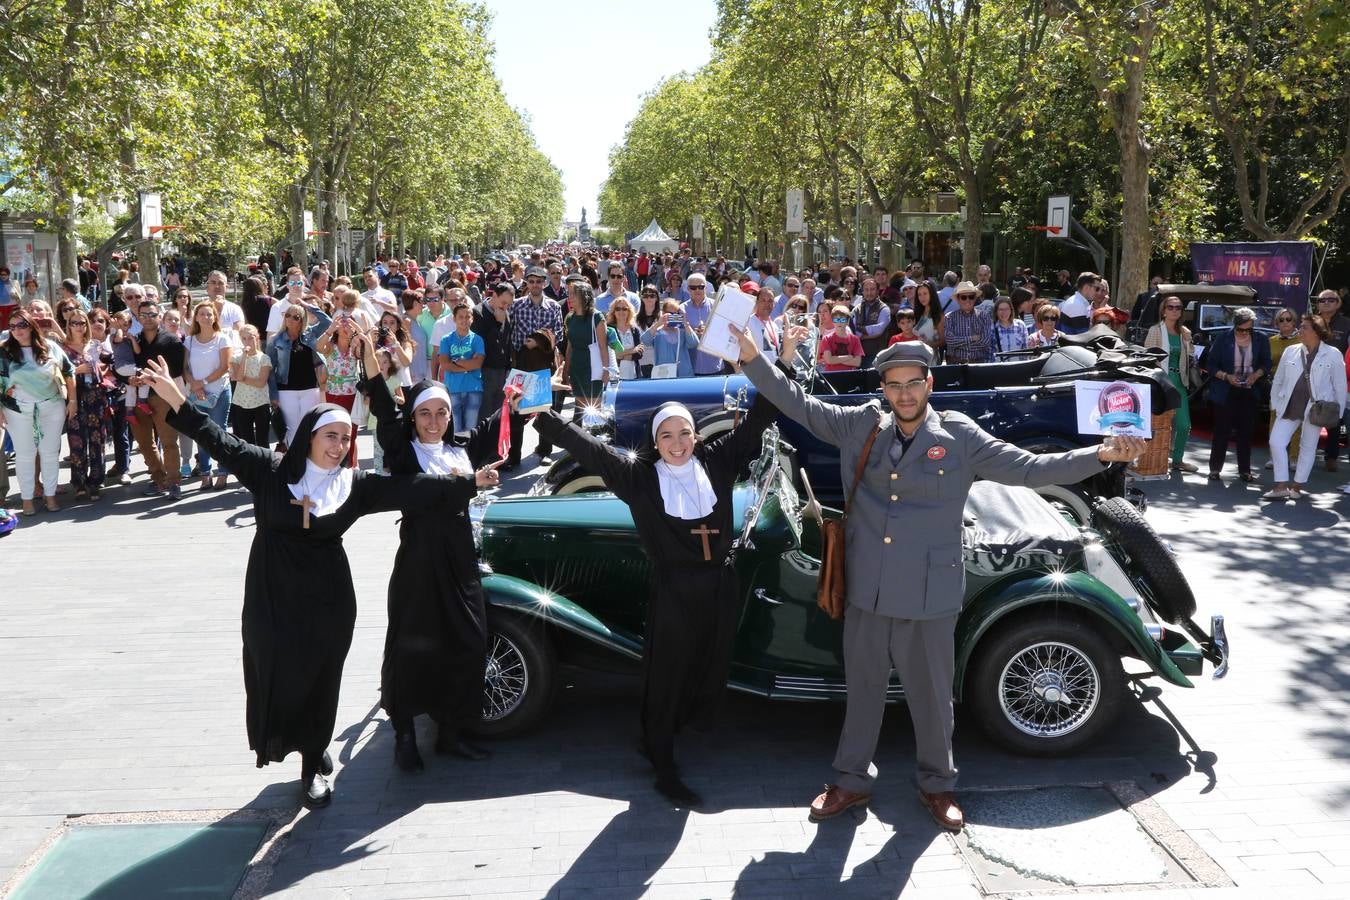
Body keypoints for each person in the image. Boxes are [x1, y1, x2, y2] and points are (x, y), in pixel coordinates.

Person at [731, 326, 1145, 831]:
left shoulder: (960, 436)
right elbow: (797, 404)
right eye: (894, 385)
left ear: (929, 384)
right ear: (883, 388)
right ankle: (850, 781)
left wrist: (1098, 455)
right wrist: (754, 360)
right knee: (862, 692)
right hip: (868, 589)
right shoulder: (861, 425)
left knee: (931, 699)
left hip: (930, 593)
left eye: (913, 383)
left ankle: (938, 786)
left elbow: (1029, 468)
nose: (903, 393)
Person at [137, 351, 497, 809]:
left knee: (320, 678)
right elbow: (214, 436)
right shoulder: (267, 470)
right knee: (279, 674)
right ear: (309, 435)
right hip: (273, 594)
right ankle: (301, 742)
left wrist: (468, 483)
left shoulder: (354, 484)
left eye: (346, 439)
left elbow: (413, 489)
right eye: (330, 436)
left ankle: (311, 763)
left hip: (329, 598)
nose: (338, 447)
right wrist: (173, 392)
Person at [529, 386, 777, 806]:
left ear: (696, 436)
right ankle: (661, 761)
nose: (677, 444)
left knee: (710, 666)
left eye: (684, 434)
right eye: (667, 436)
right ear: (654, 441)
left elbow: (757, 420)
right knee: (667, 675)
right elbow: (590, 449)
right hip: (675, 591)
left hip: (719, 586)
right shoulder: (639, 478)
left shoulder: (716, 461)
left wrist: (782, 364)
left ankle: (680, 728)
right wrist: (542, 416)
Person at [361, 338, 504, 771]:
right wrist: (371, 363)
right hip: (421, 564)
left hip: (460, 561)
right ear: (414, 416)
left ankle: (452, 731)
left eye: (441, 412)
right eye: (425, 412)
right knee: (412, 647)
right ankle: (405, 733)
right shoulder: (406, 454)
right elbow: (385, 409)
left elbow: (492, 427)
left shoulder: (458, 448)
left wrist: (518, 398)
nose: (434, 421)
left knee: (466, 642)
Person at [1263, 314, 1347, 500]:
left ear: (1317, 332)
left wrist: (1336, 415)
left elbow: (1340, 387)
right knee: (1276, 442)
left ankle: (1297, 487)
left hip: (1317, 409)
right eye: (1300, 326)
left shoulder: (1333, 354)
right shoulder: (1291, 350)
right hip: (1289, 405)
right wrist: (1275, 403)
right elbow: (1278, 380)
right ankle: (1281, 484)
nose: (1300, 330)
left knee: (1307, 447)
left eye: (1305, 327)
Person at [0, 309, 76, 514]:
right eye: (12, 326)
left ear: (31, 326)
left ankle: (50, 497)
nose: (17, 330)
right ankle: (27, 500)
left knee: (50, 453)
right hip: (17, 410)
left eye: (22, 325)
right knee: (25, 455)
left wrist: (73, 401)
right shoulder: (4, 351)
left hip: (52, 406)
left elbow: (69, 371)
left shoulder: (50, 347)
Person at [1202, 307, 1271, 482]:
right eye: (1241, 329)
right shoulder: (1223, 338)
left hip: (1249, 391)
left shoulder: (1261, 338)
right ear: (1235, 325)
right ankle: (1215, 469)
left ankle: (1245, 470)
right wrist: (1226, 376)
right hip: (1226, 390)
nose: (1244, 333)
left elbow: (1266, 363)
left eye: (1248, 329)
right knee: (1221, 431)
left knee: (1246, 432)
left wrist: (1255, 375)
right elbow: (1210, 365)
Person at [1144, 296, 1198, 473]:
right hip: (1161, 381)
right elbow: (1148, 359)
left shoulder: (1183, 332)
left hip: (1179, 381)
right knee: (1159, 424)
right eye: (1171, 307)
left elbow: (1191, 355)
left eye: (1178, 307)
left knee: (1184, 424)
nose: (1175, 310)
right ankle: (1151, 459)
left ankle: (1177, 460)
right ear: (1163, 310)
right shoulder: (1155, 330)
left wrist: (1189, 341)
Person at [184, 302, 235, 489]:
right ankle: (205, 472)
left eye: (209, 314)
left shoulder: (222, 339)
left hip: (219, 392)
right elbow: (185, 368)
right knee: (201, 433)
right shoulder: (189, 341)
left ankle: (223, 471)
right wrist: (195, 385)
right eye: (202, 314)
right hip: (197, 394)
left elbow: (224, 367)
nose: (206, 317)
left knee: (219, 432)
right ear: (196, 317)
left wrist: (203, 383)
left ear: (215, 317)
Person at [314, 314, 363, 468]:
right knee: (334, 427)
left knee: (351, 430)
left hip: (351, 393)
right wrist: (330, 329)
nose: (345, 328)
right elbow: (318, 347)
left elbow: (366, 350)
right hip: (333, 393)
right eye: (342, 325)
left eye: (348, 325)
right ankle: (334, 463)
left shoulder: (355, 346)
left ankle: (350, 465)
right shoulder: (331, 346)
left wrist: (358, 331)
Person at [562, 281, 611, 419]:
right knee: (579, 409)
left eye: (573, 294)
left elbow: (603, 346)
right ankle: (577, 438)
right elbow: (570, 346)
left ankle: (594, 438)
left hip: (593, 368)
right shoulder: (570, 318)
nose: (569, 297)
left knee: (594, 410)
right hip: (577, 367)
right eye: (569, 294)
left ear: (584, 296)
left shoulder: (597, 317)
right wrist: (566, 369)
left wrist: (606, 370)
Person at [1313, 289, 1350, 470]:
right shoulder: (1310, 322)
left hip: (1337, 376)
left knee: (1333, 415)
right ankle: (1305, 454)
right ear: (1317, 304)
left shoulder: (1346, 324)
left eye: (1331, 299)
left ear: (1338, 303)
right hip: (1311, 374)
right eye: (1322, 300)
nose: (1326, 302)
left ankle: (1331, 456)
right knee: (1307, 414)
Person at [1263, 309, 1302, 471]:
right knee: (1275, 419)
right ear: (1277, 323)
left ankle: (1294, 458)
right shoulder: (1271, 341)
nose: (1285, 322)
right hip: (1277, 385)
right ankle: (1274, 457)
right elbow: (1266, 363)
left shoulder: (1302, 339)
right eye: (1281, 320)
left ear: (1294, 322)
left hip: (1298, 386)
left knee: (1296, 422)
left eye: (1288, 319)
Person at [438, 303, 486, 434]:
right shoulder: (446, 340)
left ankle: (469, 454)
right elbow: (445, 365)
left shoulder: (477, 340)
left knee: (470, 429)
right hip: (453, 388)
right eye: (461, 317)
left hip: (473, 389)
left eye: (467, 316)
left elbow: (477, 364)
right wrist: (467, 364)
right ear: (454, 318)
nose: (464, 320)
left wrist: (457, 361)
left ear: (472, 319)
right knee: (455, 429)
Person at [229, 325, 273, 453]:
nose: (247, 341)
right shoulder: (236, 357)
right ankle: (251, 469)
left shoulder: (264, 358)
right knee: (246, 440)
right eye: (244, 338)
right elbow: (239, 375)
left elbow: (261, 383)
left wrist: (240, 379)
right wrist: (244, 356)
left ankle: (265, 467)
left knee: (263, 440)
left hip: (261, 402)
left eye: (250, 338)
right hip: (241, 403)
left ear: (257, 338)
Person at [642, 300, 700, 378]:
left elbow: (694, 343)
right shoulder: (657, 332)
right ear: (663, 313)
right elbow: (645, 340)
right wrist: (658, 323)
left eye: (677, 314)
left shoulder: (682, 331)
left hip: (684, 375)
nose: (674, 316)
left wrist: (685, 323)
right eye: (671, 314)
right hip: (664, 376)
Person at [943, 282, 994, 363]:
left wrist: (959, 345)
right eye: (963, 297)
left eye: (971, 297)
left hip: (978, 364)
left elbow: (985, 342)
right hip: (956, 365)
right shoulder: (949, 317)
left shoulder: (984, 316)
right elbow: (949, 341)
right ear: (958, 299)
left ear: (975, 299)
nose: (968, 300)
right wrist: (972, 338)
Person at [852, 278, 891, 366]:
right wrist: (866, 333)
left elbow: (878, 330)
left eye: (872, 289)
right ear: (862, 291)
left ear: (877, 291)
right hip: (857, 355)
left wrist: (860, 333)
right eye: (866, 290)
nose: (869, 293)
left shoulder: (884, 309)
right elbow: (852, 329)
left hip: (877, 355)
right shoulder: (856, 309)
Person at [607, 296, 645, 380]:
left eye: (624, 309)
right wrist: (632, 351)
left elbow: (639, 354)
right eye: (618, 309)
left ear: (629, 311)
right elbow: (611, 354)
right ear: (613, 312)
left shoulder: (635, 330)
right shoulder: (608, 329)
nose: (621, 311)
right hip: (614, 375)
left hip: (634, 374)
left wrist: (622, 355)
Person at [818, 304, 863, 372]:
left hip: (849, 375)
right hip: (831, 375)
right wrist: (848, 357)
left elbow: (857, 362)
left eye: (842, 320)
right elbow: (829, 360)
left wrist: (835, 359)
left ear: (847, 321)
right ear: (833, 321)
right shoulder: (826, 339)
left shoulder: (855, 339)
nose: (839, 322)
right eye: (836, 320)